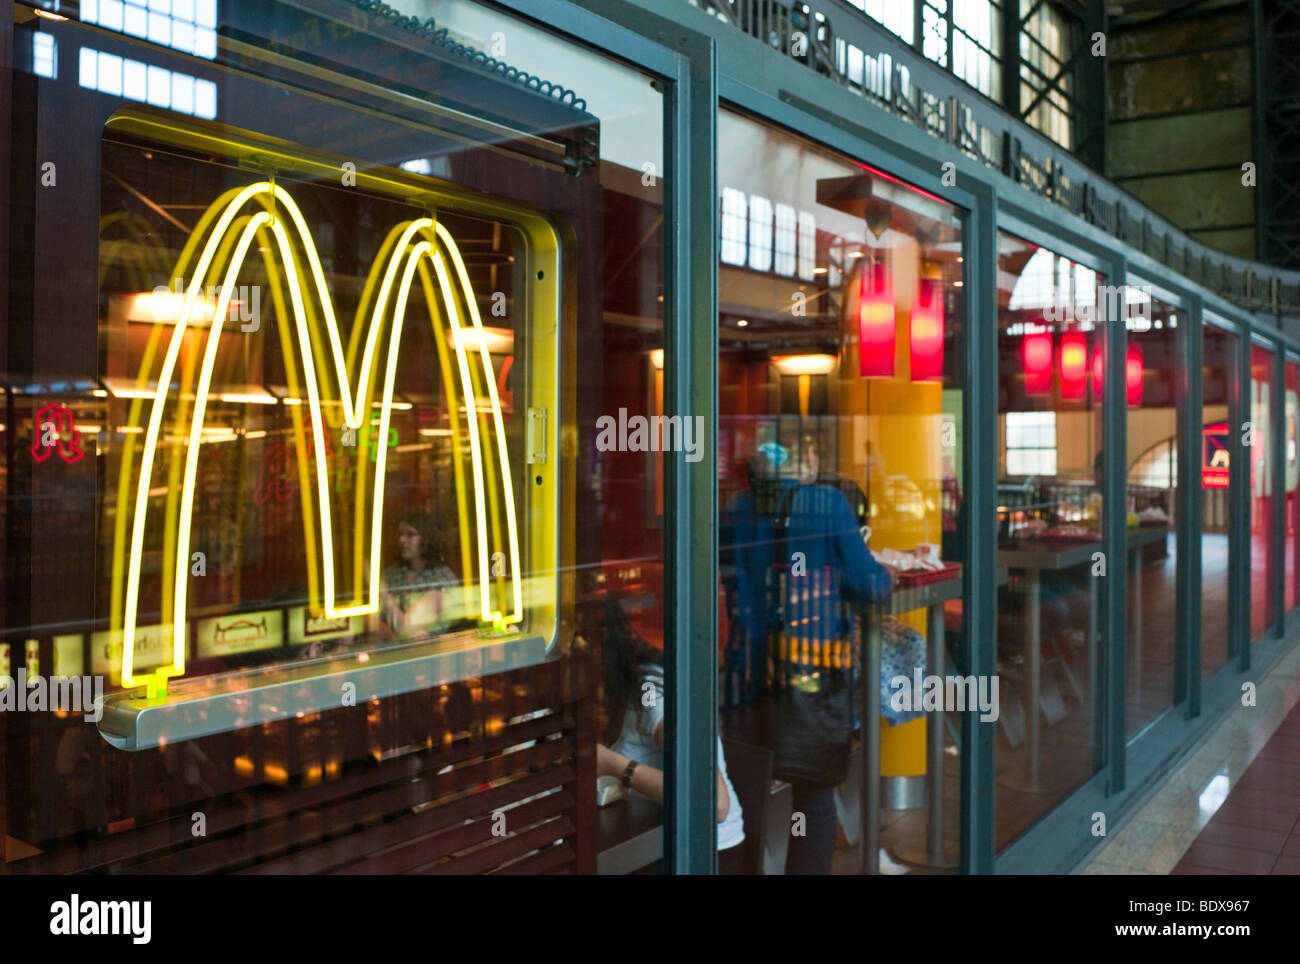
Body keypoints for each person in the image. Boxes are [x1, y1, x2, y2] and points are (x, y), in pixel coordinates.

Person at [587, 594, 747, 873]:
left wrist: (613, 764)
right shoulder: (631, 688)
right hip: (662, 837)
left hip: (705, 854)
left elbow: (714, 804)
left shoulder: (654, 696)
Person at [372, 511, 459, 638]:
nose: (402, 540)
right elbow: (372, 620)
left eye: (410, 534)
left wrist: (384, 594)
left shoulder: (441, 578)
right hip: (392, 651)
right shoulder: (393, 574)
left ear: (427, 538)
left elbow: (406, 629)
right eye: (400, 534)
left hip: (430, 653)